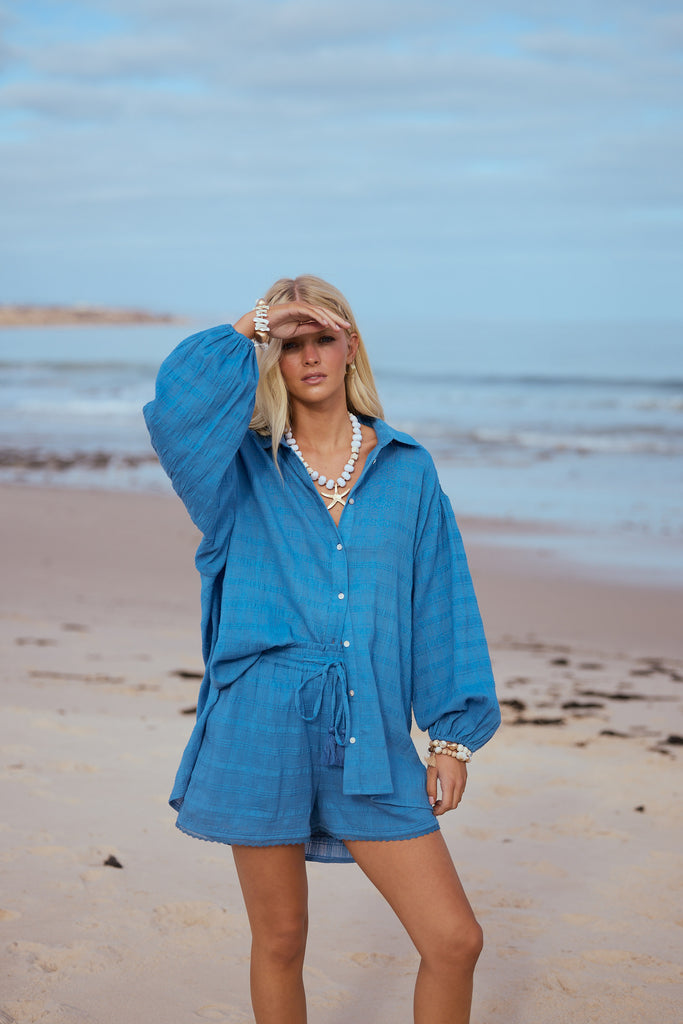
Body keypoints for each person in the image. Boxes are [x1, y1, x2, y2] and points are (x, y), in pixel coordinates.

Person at [143, 275, 500, 1024]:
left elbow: (439, 603)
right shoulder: (234, 468)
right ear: (270, 356)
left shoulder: (407, 469)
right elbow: (175, 405)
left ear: (350, 347)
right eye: (289, 344)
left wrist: (451, 737)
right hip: (260, 720)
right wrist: (253, 323)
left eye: (322, 339)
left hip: (368, 726)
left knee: (454, 940)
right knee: (280, 938)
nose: (307, 357)